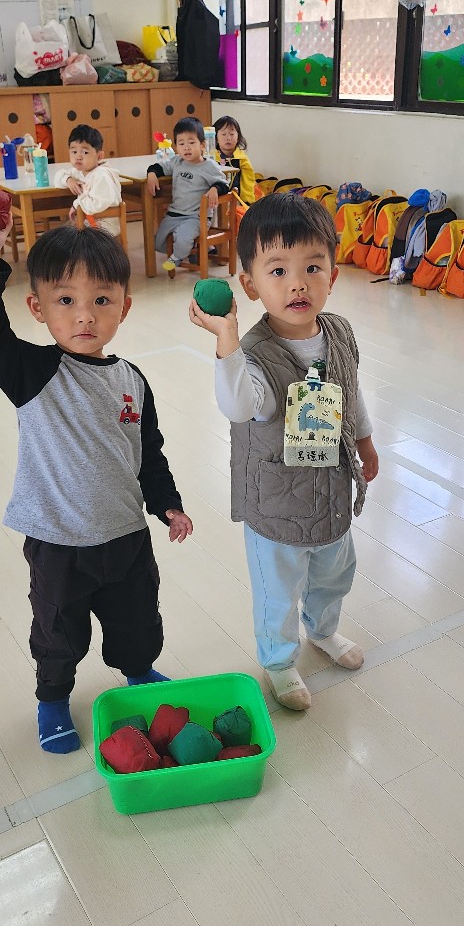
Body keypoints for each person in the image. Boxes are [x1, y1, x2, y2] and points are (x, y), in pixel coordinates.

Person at [0, 208, 193, 754]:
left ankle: (139, 672)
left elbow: (148, 453)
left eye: (101, 300)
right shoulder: (32, 372)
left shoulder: (132, 380)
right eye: (65, 300)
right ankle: (53, 698)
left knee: (138, 620)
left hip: (125, 534)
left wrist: (168, 505)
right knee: (58, 633)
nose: (85, 316)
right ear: (37, 308)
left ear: (124, 307)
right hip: (58, 541)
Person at [189, 192, 379, 712]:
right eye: (278, 270)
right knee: (278, 590)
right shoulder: (253, 353)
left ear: (333, 275)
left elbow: (350, 392)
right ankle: (277, 660)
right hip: (277, 503)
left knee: (334, 573)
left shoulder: (339, 333)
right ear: (249, 284)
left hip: (331, 491)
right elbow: (239, 405)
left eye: (312, 267)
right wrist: (226, 338)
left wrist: (365, 440)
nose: (298, 283)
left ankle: (323, 630)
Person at [147, 116, 229, 276]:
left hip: (196, 217)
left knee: (183, 237)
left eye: (191, 142)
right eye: (181, 143)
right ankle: (192, 250)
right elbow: (158, 167)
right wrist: (152, 174)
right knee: (156, 243)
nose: (186, 148)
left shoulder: (208, 166)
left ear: (202, 145)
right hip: (174, 214)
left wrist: (214, 189)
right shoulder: (177, 161)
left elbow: (224, 184)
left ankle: (177, 257)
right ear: (176, 146)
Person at [54, 125, 122, 237]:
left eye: (85, 152)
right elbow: (58, 176)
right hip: (89, 222)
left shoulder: (101, 175)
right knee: (60, 234)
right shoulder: (81, 171)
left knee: (64, 237)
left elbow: (100, 203)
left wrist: (77, 204)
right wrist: (68, 180)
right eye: (74, 152)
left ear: (99, 156)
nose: (78, 157)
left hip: (105, 227)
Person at [213, 115, 256, 207]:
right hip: (215, 201)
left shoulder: (242, 159)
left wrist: (247, 202)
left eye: (232, 134)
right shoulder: (212, 158)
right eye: (223, 134)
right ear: (216, 138)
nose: (228, 138)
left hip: (237, 201)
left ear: (238, 137)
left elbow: (248, 181)